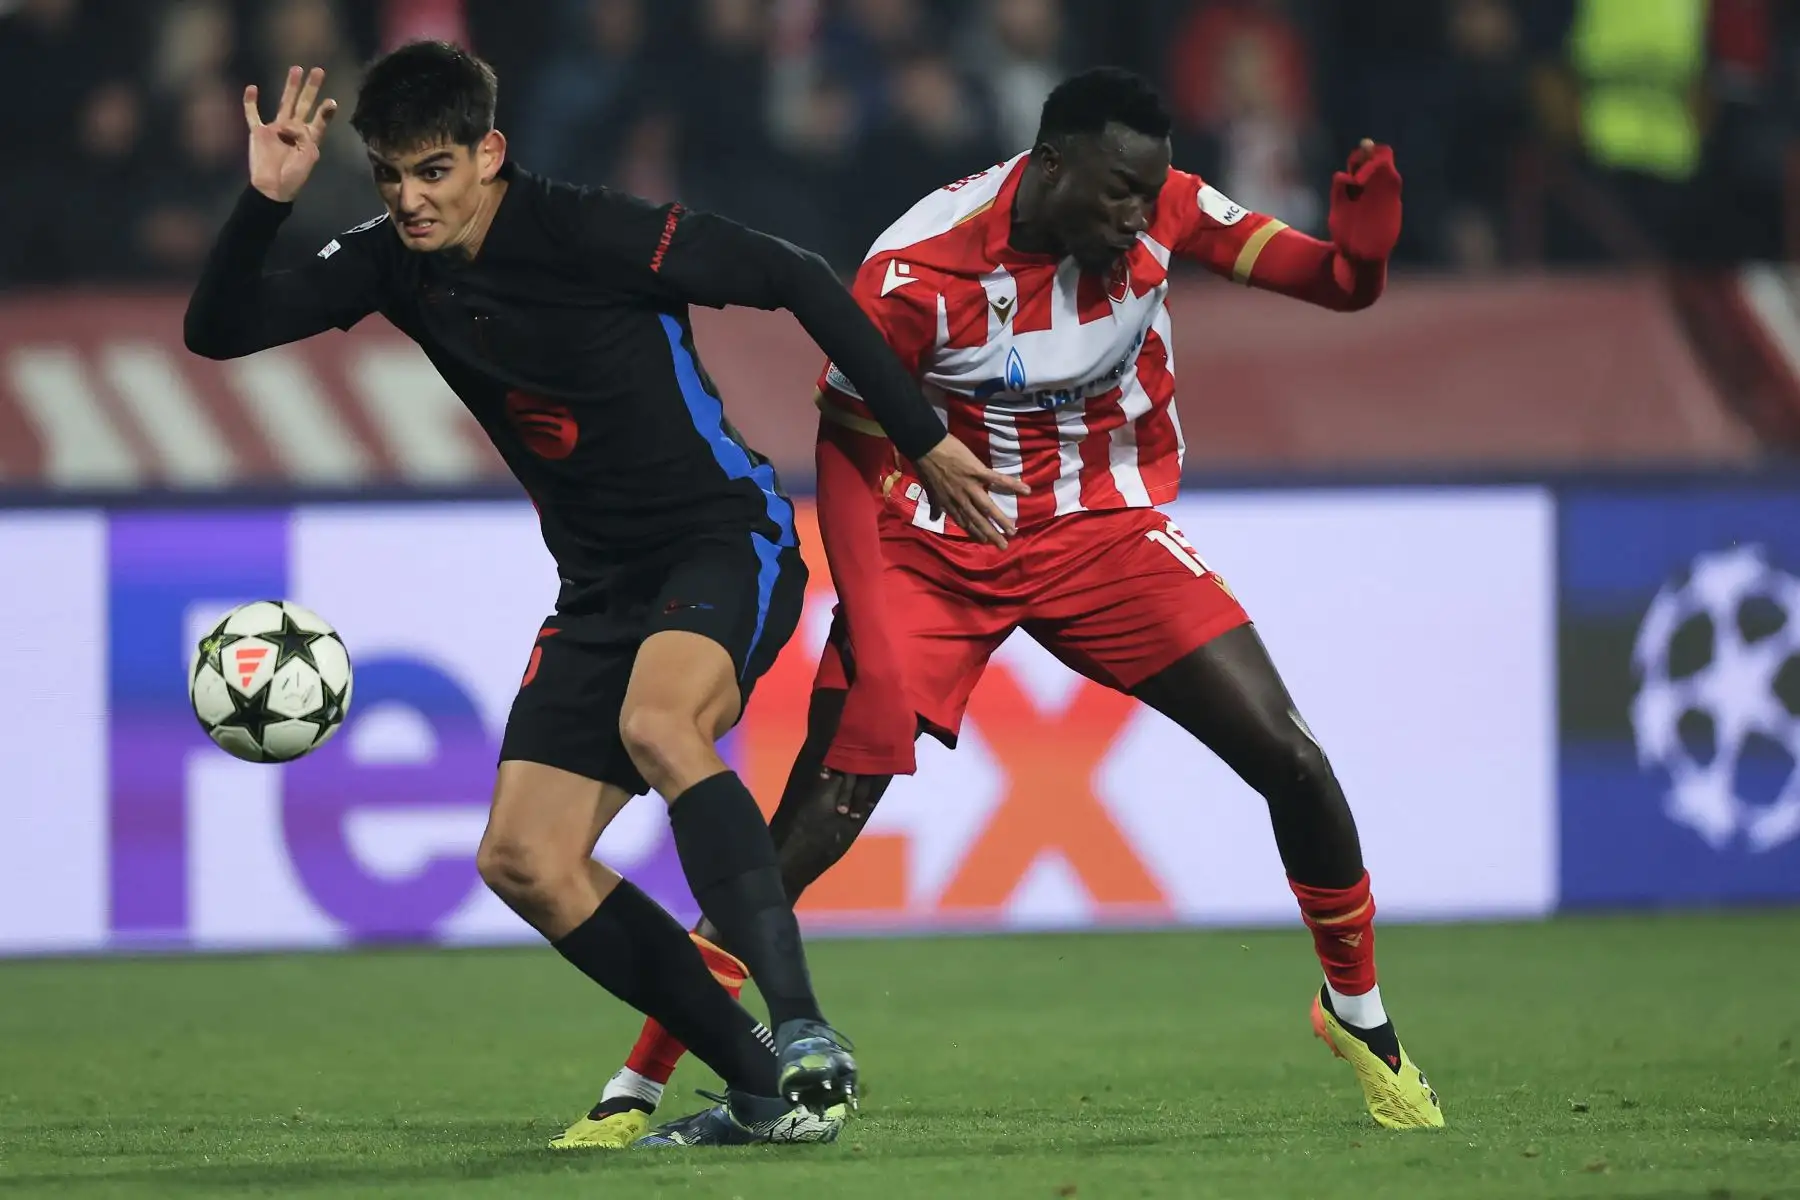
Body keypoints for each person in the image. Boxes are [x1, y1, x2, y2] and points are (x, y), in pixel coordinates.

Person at [182, 40, 1021, 1149]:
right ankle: (763, 1088)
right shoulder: (394, 260)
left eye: (433, 171)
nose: (409, 199)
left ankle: (808, 1027)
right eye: (388, 175)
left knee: (660, 722)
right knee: (522, 860)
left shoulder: (592, 231)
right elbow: (218, 330)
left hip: (722, 540)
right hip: (599, 584)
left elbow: (797, 276)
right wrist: (262, 201)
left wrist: (920, 439)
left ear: (491, 153)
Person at [585, 66, 1443, 1140]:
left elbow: (1336, 286)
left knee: (1294, 759)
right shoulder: (915, 266)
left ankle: (1358, 1016)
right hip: (937, 544)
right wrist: (877, 622)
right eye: (1117, 192)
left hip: (1102, 531)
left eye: (1149, 193)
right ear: (1048, 167)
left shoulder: (1165, 208)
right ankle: (639, 1084)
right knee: (817, 816)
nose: (1138, 218)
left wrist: (1364, 250)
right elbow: (849, 442)